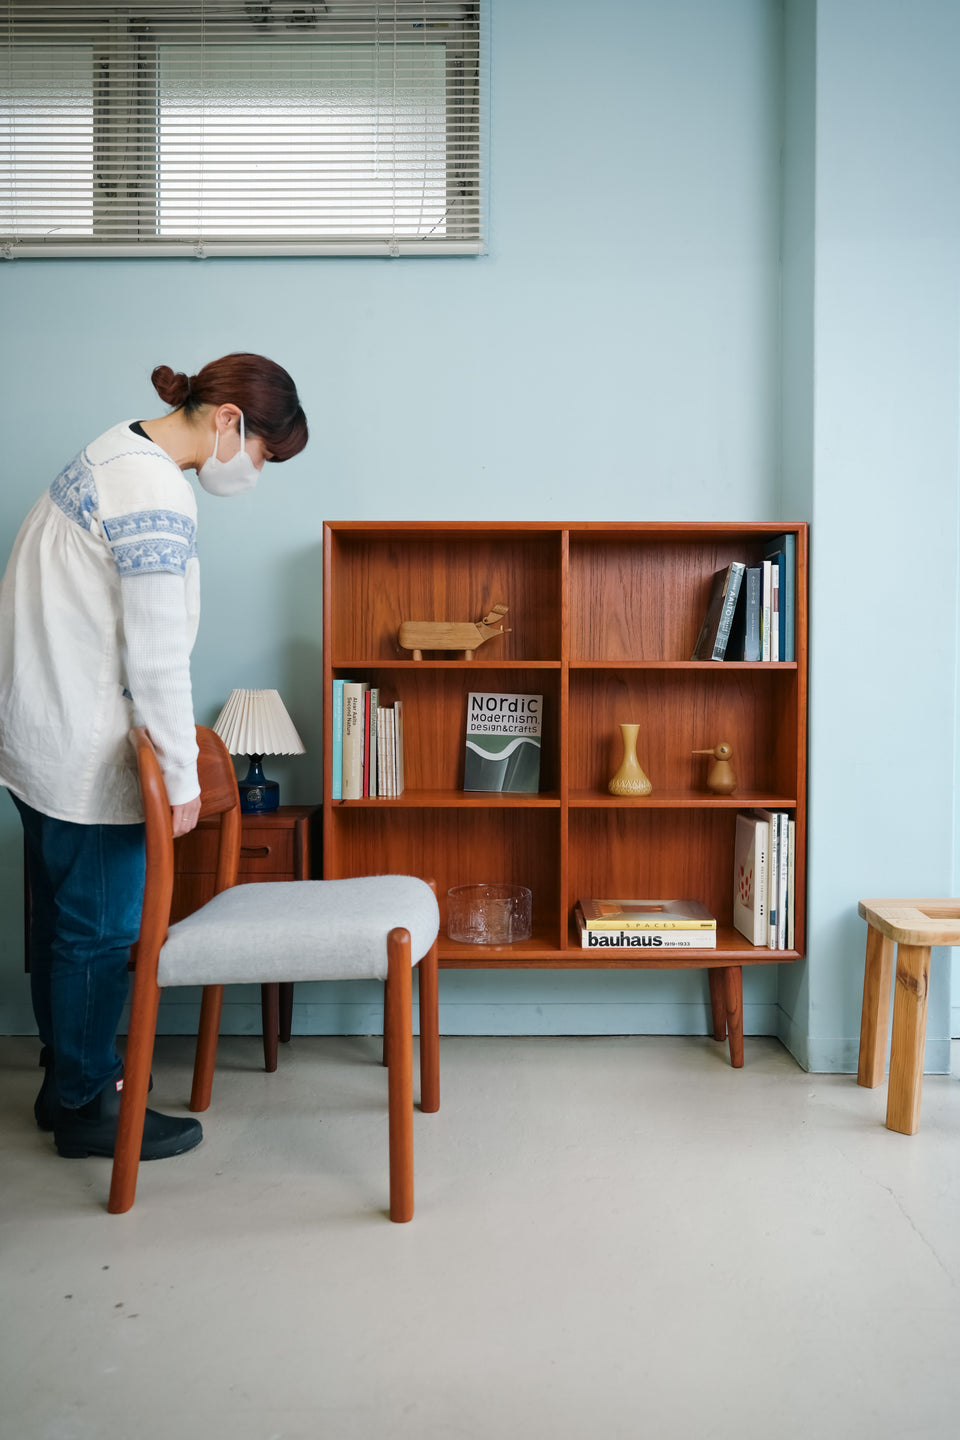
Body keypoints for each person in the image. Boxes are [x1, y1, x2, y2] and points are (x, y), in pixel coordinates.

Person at [0, 353, 308, 1160]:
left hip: (36, 740)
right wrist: (179, 778)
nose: (256, 473)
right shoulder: (154, 488)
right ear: (231, 422)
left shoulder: (109, 451)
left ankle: (62, 1080)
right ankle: (88, 1107)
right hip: (88, 751)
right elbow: (159, 655)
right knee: (100, 933)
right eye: (265, 457)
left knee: (62, 926)